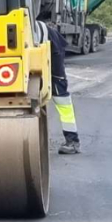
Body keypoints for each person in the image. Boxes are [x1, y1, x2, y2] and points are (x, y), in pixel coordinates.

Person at [35, 20, 80, 155]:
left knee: (61, 98)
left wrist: (54, 76)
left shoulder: (33, 31)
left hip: (53, 52)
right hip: (49, 47)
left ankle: (73, 141)